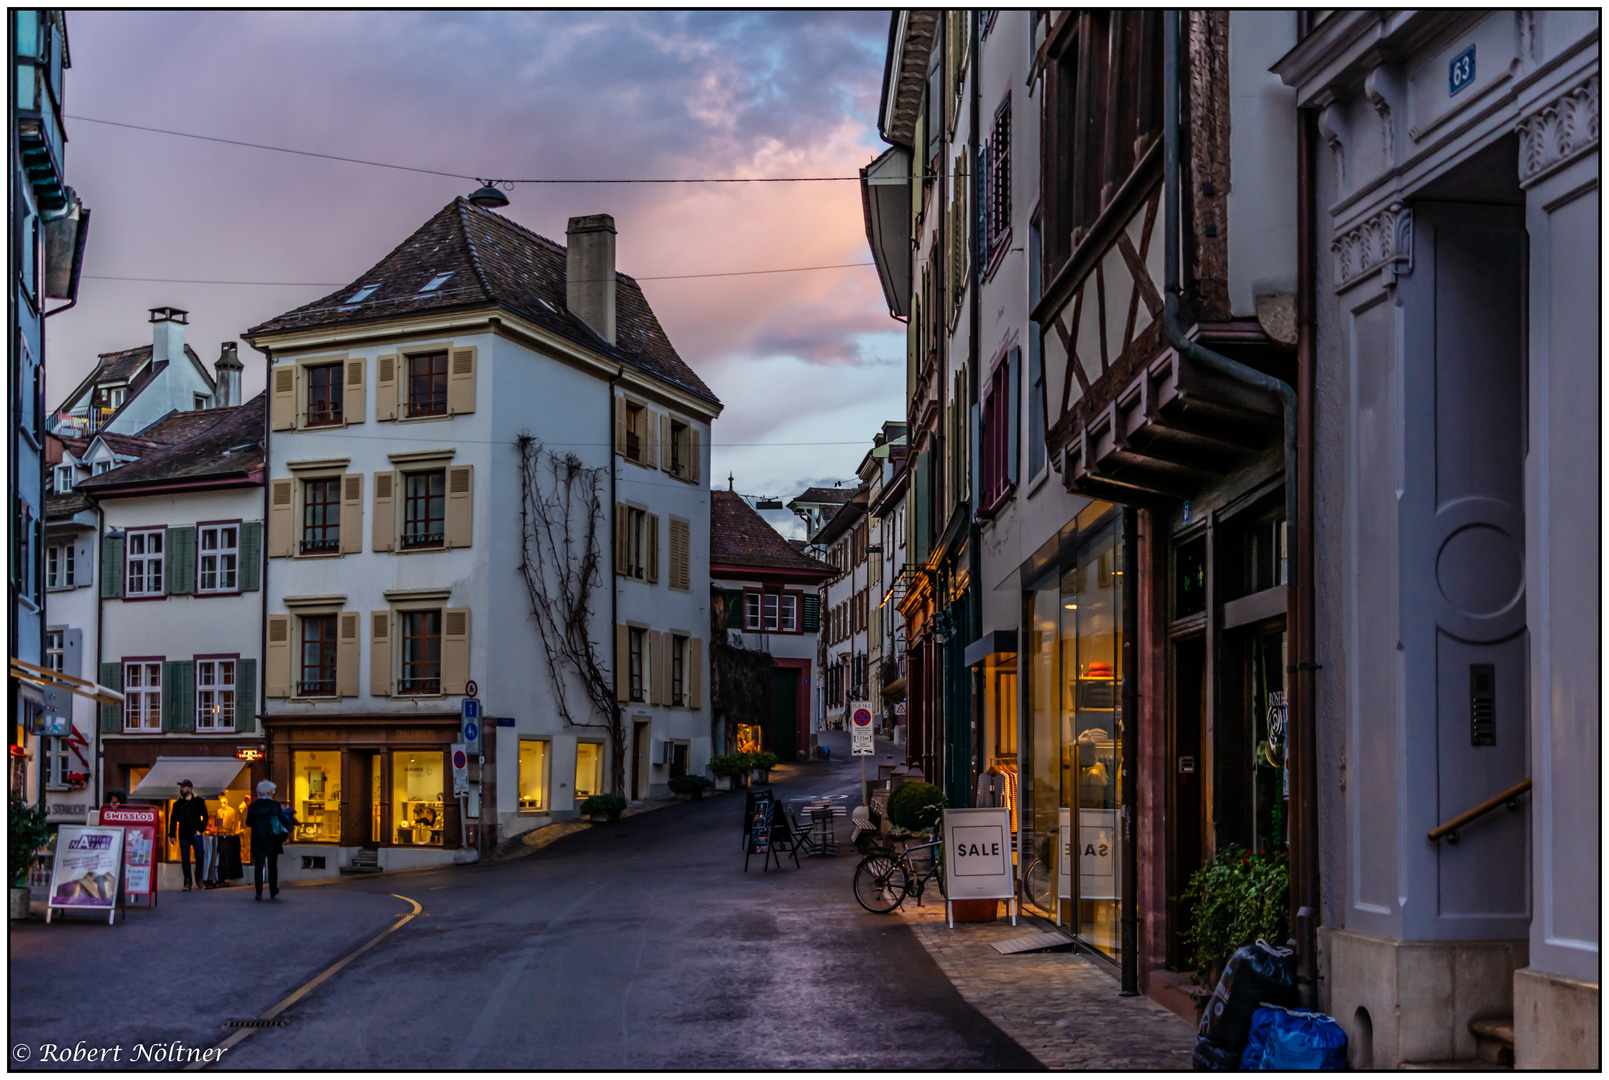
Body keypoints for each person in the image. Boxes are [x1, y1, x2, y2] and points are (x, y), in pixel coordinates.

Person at [245, 780, 295, 901]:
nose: (273, 793)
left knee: (259, 866)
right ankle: (273, 890)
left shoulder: (252, 806)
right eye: (272, 791)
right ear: (268, 792)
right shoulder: (274, 805)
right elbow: (283, 819)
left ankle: (259, 892)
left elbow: (248, 822)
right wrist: (290, 825)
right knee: (272, 866)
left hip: (257, 839)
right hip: (272, 838)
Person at [168, 779, 209, 892]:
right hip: (184, 834)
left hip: (196, 833)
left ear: (190, 789)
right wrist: (172, 835)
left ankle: (199, 879)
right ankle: (187, 881)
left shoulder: (199, 801)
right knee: (185, 858)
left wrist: (200, 829)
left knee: (200, 856)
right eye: (181, 787)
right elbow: (173, 820)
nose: (181, 789)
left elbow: (205, 816)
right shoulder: (178, 804)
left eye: (184, 787)